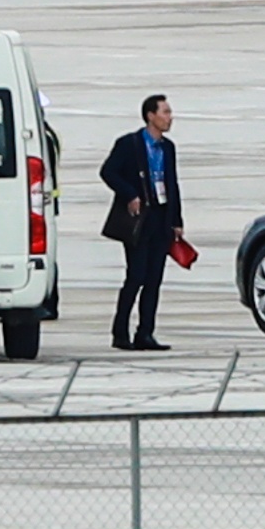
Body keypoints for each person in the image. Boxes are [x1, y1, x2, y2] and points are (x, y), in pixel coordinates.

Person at [100, 93, 183, 351]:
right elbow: (108, 172)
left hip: (161, 218)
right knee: (136, 276)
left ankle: (145, 332)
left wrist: (177, 220)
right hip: (139, 219)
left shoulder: (168, 148)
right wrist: (130, 194)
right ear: (151, 116)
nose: (170, 117)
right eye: (165, 112)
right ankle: (120, 331)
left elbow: (172, 184)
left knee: (154, 279)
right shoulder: (130, 144)